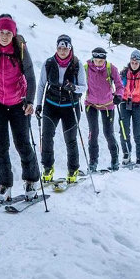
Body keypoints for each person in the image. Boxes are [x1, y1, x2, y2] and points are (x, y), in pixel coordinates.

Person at [0, 14, 39, 203]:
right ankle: (4, 185)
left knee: (22, 143)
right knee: (1, 144)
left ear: (14, 33)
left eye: (8, 32)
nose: (4, 36)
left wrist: (29, 101)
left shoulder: (20, 49)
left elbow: (30, 77)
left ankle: (31, 180)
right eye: (1, 32)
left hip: (18, 102)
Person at [34, 34, 87, 184]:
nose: (62, 51)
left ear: (70, 48)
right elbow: (41, 85)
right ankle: (48, 168)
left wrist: (74, 87)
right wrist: (38, 104)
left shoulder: (77, 64)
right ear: (56, 48)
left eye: (65, 48)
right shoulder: (49, 63)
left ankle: (73, 169)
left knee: (70, 139)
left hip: (70, 106)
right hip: (51, 104)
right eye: (60, 48)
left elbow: (84, 87)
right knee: (47, 137)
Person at [83, 47, 124, 172]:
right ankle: (93, 162)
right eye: (96, 60)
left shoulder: (111, 68)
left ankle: (115, 160)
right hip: (91, 104)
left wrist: (119, 96)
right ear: (93, 59)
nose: (98, 63)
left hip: (108, 104)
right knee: (93, 133)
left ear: (104, 60)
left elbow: (119, 85)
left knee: (108, 133)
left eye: (101, 61)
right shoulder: (86, 68)